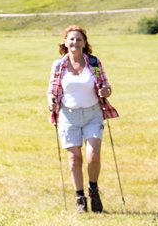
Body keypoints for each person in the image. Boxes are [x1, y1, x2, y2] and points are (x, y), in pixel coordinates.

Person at [46, 25, 118, 213]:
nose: (75, 42)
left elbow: (106, 85)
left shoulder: (93, 63)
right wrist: (51, 102)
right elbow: (52, 90)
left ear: (85, 43)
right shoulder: (59, 65)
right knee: (74, 158)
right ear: (66, 42)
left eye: (79, 39)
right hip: (68, 116)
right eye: (71, 39)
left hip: (92, 114)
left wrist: (106, 91)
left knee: (93, 156)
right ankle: (80, 198)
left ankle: (93, 189)